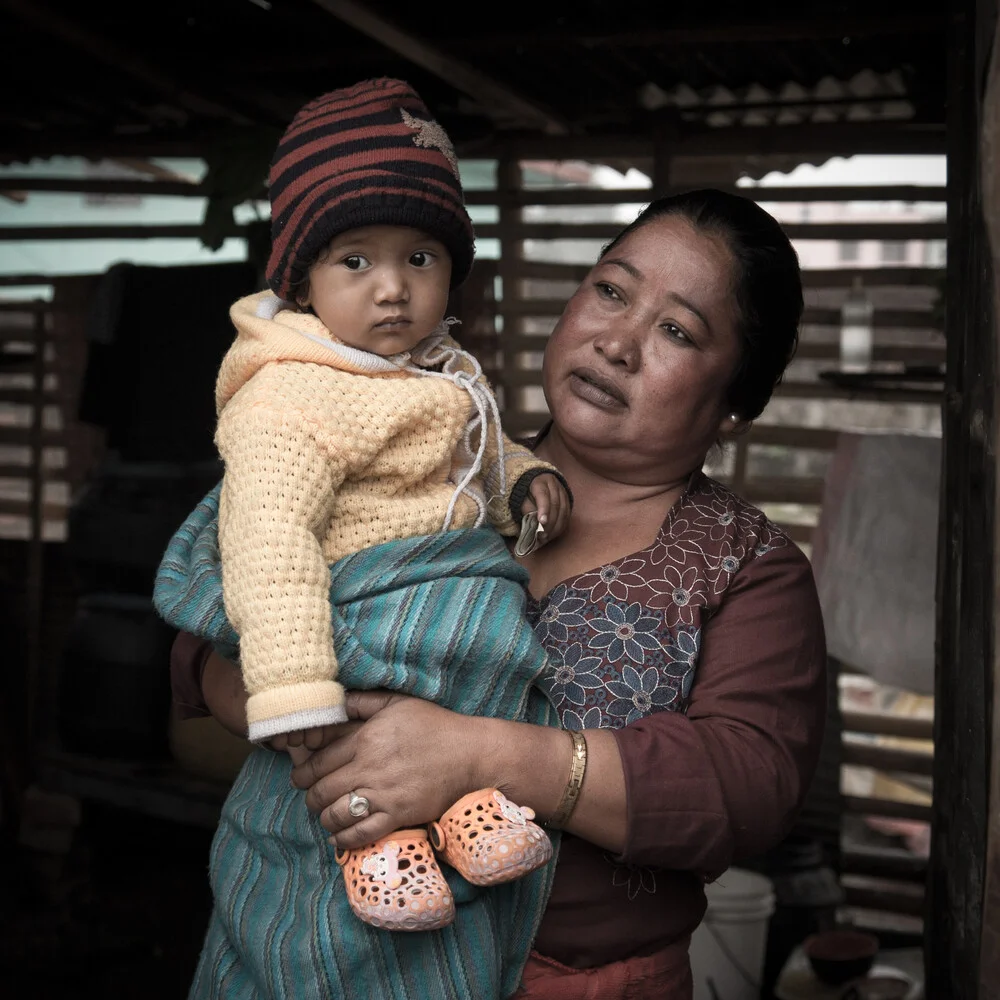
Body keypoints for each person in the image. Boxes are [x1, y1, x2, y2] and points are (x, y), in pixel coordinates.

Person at [171, 188, 827, 999]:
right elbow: (210, 615)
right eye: (612, 290)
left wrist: (480, 757)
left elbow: (748, 786)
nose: (617, 342)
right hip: (320, 950)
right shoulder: (434, 455)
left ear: (737, 402)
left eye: (677, 331)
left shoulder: (747, 565)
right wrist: (314, 728)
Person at [154, 77, 572, 935]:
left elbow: (478, 454)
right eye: (357, 260)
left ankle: (461, 813)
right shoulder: (291, 396)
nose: (393, 288)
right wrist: (297, 692)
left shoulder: (439, 366)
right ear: (304, 280)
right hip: (359, 614)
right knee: (369, 724)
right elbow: (269, 539)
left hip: (453, 602)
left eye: (420, 258)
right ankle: (370, 845)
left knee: (491, 669)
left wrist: (524, 474)